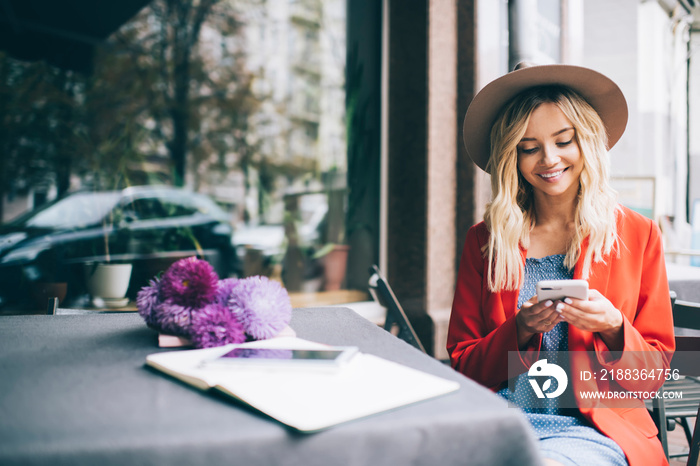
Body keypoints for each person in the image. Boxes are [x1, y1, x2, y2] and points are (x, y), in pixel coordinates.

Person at [447, 63, 674, 466]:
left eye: (563, 140)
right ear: (510, 157)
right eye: (529, 147)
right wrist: (519, 328)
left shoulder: (638, 235)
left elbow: (651, 378)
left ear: (586, 141)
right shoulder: (484, 241)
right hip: (500, 424)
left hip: (594, 432)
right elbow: (464, 366)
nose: (548, 159)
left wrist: (614, 326)